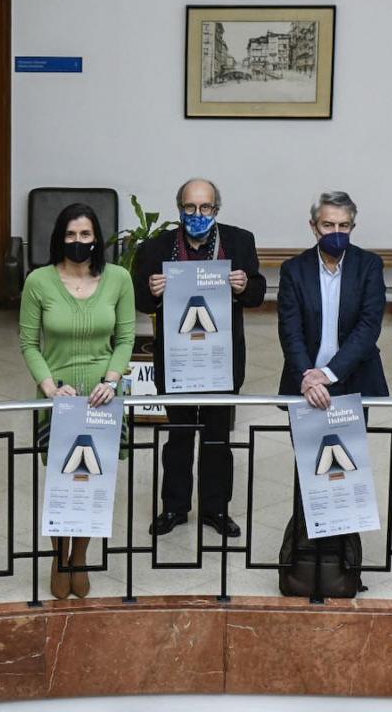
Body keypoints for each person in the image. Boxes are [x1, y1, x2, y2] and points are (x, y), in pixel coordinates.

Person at [132, 178, 265, 538]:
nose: (197, 214)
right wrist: (151, 291)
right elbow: (139, 301)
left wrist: (243, 286)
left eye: (205, 207)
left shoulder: (239, 241)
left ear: (216, 209)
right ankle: (174, 507)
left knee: (217, 437)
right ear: (179, 208)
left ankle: (216, 509)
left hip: (220, 359)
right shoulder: (155, 247)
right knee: (178, 437)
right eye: (190, 207)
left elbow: (257, 292)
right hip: (176, 360)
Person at [20, 202, 135, 599]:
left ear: (96, 239)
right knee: (61, 483)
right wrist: (49, 386)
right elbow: (28, 343)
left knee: (92, 483)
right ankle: (59, 557)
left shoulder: (119, 278)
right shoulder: (38, 281)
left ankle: (81, 557)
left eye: (85, 235)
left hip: (104, 399)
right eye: (71, 235)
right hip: (59, 400)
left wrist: (112, 379)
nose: (78, 241)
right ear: (59, 238)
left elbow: (125, 339)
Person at [277, 191, 389, 408]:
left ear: (352, 227)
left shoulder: (369, 266)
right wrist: (310, 380)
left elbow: (368, 326)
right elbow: (290, 331)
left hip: (353, 378)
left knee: (348, 444)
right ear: (313, 226)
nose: (336, 232)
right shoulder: (294, 270)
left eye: (344, 226)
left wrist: (329, 373)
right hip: (306, 381)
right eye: (328, 225)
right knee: (306, 443)